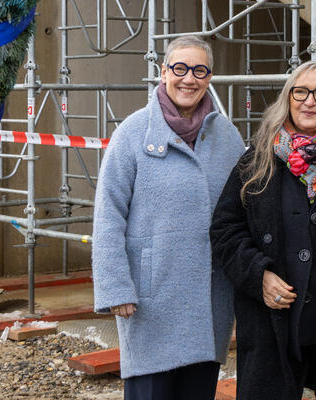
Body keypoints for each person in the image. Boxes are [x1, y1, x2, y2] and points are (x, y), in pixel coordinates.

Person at [210, 60, 316, 400]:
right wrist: (257, 274)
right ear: (287, 99)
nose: (310, 101)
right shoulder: (257, 160)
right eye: (300, 92)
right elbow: (224, 228)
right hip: (275, 326)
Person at [92, 36, 245, 400]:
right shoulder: (133, 132)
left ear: (210, 77)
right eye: (179, 68)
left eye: (199, 70)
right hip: (150, 302)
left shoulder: (227, 136)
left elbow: (245, 209)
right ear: (163, 73)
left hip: (210, 301)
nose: (188, 79)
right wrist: (116, 287)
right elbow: (108, 214)